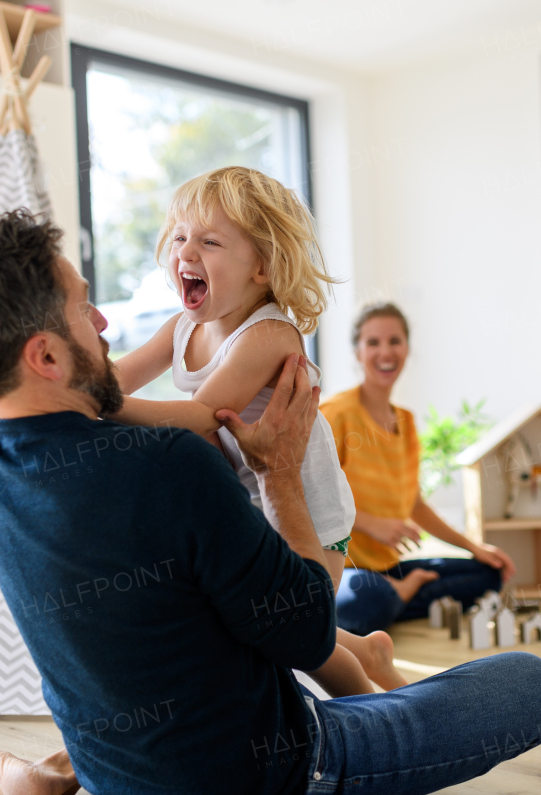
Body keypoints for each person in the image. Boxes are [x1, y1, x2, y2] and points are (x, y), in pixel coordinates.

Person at [0, 209, 541, 795]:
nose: (105, 321)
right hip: (268, 789)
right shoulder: (166, 464)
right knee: (527, 684)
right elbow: (308, 633)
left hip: (130, 787)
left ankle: (48, 771)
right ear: (46, 357)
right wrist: (279, 477)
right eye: (85, 310)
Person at [108, 166, 404, 695]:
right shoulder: (180, 328)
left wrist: (102, 404)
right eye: (179, 237)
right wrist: (71, 382)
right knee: (261, 625)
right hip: (247, 502)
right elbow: (117, 377)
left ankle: (376, 717)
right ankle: (367, 649)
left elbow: (202, 416)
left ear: (263, 267)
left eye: (210, 241)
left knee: (301, 637)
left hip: (309, 511)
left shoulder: (268, 333)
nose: (186, 253)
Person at [323, 302, 518, 636]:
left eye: (394, 341)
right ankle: (397, 595)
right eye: (373, 342)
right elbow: (311, 496)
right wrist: (371, 525)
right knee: (364, 600)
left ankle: (395, 596)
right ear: (357, 352)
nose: (385, 352)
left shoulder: (406, 422)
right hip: (342, 570)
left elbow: (415, 504)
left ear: (407, 349)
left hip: (388, 566)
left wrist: (475, 548)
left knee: (488, 574)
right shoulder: (335, 414)